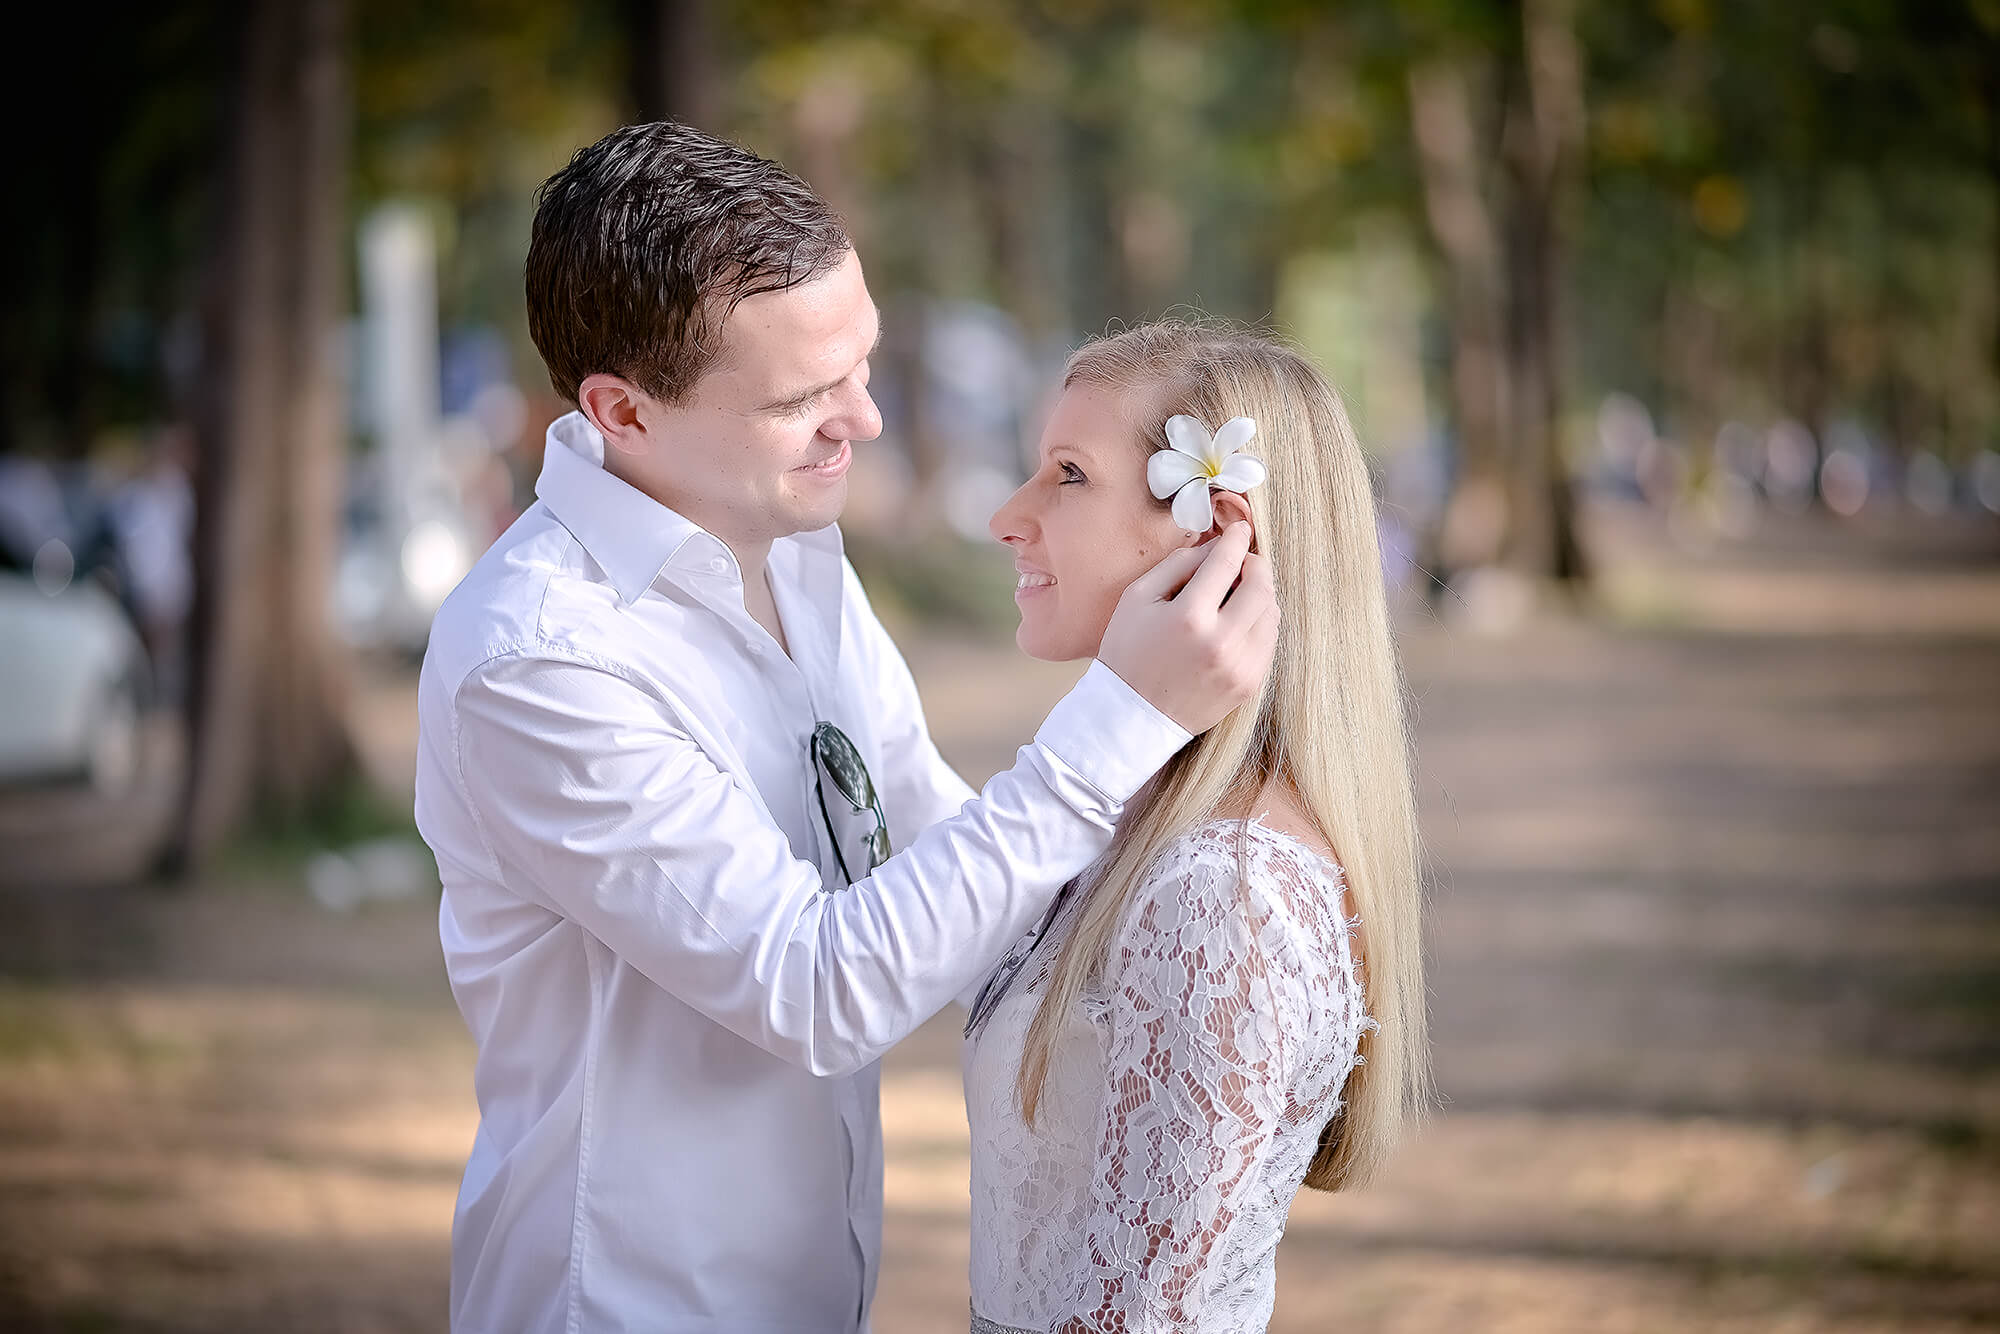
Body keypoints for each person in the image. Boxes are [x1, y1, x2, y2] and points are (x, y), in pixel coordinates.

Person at [412, 123, 1279, 1334]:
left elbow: (940, 859)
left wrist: (1230, 902)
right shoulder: (540, 660)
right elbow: (818, 988)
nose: (862, 422)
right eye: (802, 398)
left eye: (860, 364)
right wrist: (1119, 720)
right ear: (624, 410)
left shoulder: (797, 553)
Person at [964, 321, 1430, 1333]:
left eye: (1067, 475)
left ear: (1216, 528)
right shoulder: (1134, 822)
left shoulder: (1221, 898)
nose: (1010, 515)